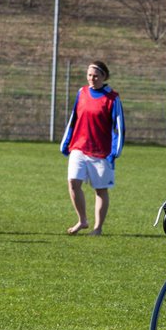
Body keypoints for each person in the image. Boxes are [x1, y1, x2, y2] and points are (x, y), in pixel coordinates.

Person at [60, 60, 124, 236]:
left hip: (101, 152)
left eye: (95, 75)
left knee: (100, 190)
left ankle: (98, 228)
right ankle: (82, 220)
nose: (92, 78)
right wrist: (66, 142)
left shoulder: (112, 98)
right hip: (79, 147)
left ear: (104, 77)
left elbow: (119, 126)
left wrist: (114, 152)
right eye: (89, 75)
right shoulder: (82, 93)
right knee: (73, 182)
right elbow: (74, 118)